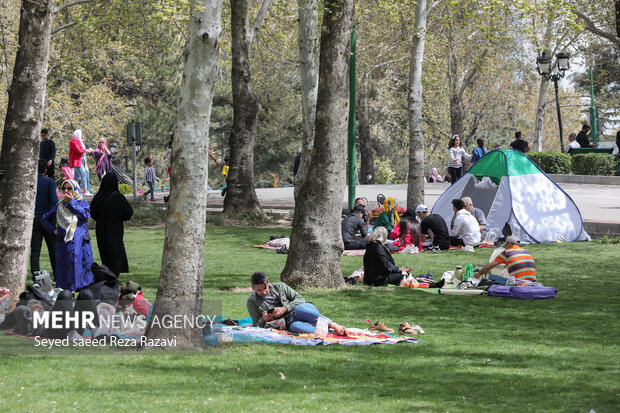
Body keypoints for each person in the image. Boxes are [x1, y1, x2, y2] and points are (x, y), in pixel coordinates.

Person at [247, 272, 347, 335]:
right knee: (297, 328)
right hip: (289, 322)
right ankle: (332, 332)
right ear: (253, 288)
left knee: (300, 309)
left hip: (300, 311)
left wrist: (284, 308)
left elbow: (300, 299)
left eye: (265, 288)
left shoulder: (280, 287)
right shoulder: (252, 302)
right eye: (259, 290)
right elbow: (256, 326)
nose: (264, 292)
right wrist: (263, 320)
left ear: (268, 283)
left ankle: (333, 325)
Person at [41, 180, 94, 291]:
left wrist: (72, 203)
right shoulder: (60, 206)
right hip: (65, 243)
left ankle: (82, 294)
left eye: (69, 188)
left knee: (81, 269)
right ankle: (67, 295)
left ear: (75, 189)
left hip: (81, 243)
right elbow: (44, 219)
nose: (66, 191)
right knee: (66, 269)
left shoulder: (82, 203)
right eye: (64, 188)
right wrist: (54, 230)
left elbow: (85, 215)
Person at [90, 173, 134, 276]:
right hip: (115, 228)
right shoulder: (118, 197)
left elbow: (93, 214)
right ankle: (115, 273)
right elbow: (127, 214)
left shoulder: (98, 197)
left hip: (101, 228)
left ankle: (107, 272)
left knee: (104, 250)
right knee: (115, 250)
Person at [30, 159, 58, 279]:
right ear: (45, 170)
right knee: (53, 249)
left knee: (35, 251)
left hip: (35, 218)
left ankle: (36, 277)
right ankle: (57, 276)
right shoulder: (49, 182)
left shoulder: (30, 182)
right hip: (47, 220)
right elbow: (55, 202)